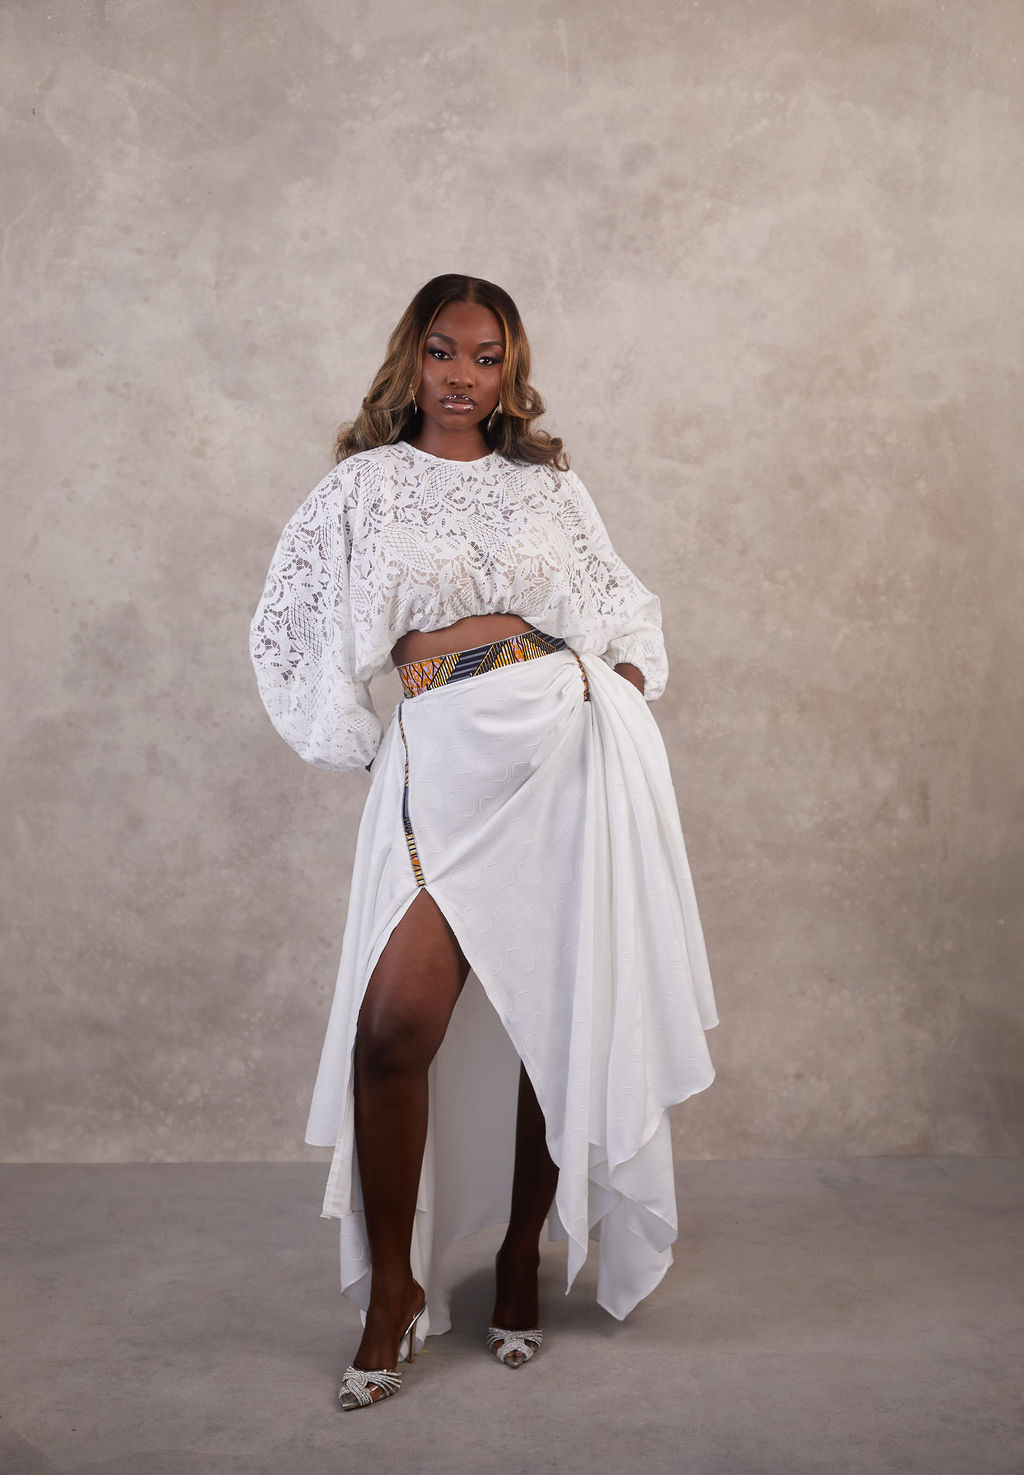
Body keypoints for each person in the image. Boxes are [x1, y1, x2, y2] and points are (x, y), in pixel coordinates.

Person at [249, 273, 718, 1410]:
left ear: (511, 371)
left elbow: (621, 605)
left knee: (556, 1014)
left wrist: (620, 683)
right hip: (443, 757)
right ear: (411, 358)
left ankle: (519, 1257)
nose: (463, 375)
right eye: (444, 350)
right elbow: (287, 627)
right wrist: (363, 742)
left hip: (559, 750)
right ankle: (394, 1290)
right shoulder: (361, 487)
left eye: (488, 355)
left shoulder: (548, 487)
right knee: (393, 1026)